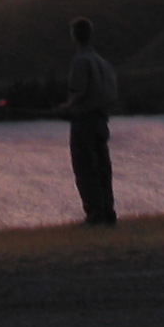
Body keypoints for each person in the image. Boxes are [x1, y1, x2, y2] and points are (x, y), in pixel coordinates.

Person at [55, 16, 118, 225]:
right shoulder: (104, 62)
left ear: (75, 37)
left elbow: (79, 92)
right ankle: (108, 213)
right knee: (102, 169)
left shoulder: (81, 61)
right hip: (102, 122)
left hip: (84, 122)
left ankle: (94, 215)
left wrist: (65, 107)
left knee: (85, 169)